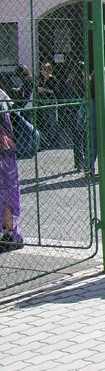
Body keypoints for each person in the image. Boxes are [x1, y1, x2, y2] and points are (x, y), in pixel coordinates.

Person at [0, 88, 23, 252]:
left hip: (4, 148)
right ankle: (9, 232)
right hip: (6, 147)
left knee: (5, 191)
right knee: (6, 190)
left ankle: (10, 233)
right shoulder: (2, 94)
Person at [37, 62, 63, 149]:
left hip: (51, 102)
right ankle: (48, 141)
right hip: (43, 102)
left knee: (53, 122)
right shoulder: (41, 79)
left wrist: (44, 90)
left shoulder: (52, 79)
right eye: (41, 70)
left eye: (44, 70)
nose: (42, 72)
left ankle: (55, 141)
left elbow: (55, 91)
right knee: (46, 122)